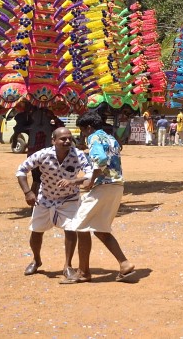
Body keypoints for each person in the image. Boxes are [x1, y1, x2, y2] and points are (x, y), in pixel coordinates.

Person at [65, 112, 137, 283]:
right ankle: (124, 264)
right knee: (100, 228)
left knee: (80, 225)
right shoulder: (111, 139)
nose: (83, 135)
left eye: (83, 130)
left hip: (103, 186)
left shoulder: (94, 137)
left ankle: (83, 272)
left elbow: (101, 159)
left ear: (88, 127)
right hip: (117, 186)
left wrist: (91, 179)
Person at [15, 127, 90, 280]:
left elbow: (90, 174)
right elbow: (21, 171)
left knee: (70, 229)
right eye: (63, 139)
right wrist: (28, 192)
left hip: (69, 198)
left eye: (69, 138)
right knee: (36, 230)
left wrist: (74, 181)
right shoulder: (43, 154)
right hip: (45, 198)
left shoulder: (78, 155)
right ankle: (36, 260)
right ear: (53, 140)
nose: (67, 141)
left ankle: (67, 265)